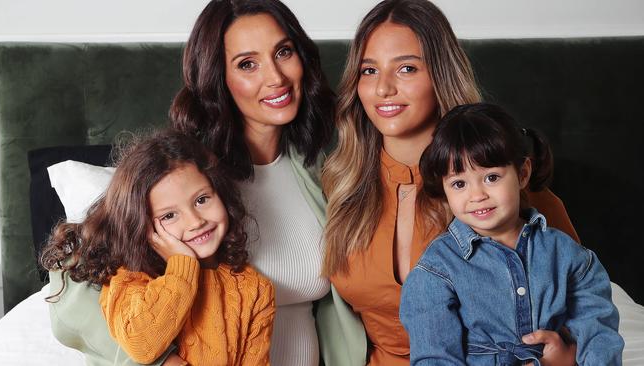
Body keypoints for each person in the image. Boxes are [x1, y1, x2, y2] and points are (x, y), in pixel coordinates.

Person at [47, 1, 362, 365]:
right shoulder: (184, 175)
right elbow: (74, 283)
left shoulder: (320, 169)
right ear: (218, 79)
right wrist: (161, 360)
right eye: (247, 64)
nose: (275, 76)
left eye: (283, 52)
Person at [322, 0, 579, 365]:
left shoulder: (506, 187)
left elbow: (581, 299)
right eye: (368, 71)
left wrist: (569, 351)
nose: (383, 89)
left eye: (406, 68)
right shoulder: (339, 185)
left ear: (440, 74)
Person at [399, 103, 624, 365]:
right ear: (444, 190)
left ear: (522, 174)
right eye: (459, 183)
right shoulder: (436, 271)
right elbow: (435, 359)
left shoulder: (568, 256)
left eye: (492, 177)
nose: (477, 196)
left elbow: (598, 335)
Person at [42, 130, 275, 366]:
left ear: (221, 194)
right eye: (170, 215)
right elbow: (143, 345)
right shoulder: (131, 276)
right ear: (143, 227)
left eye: (202, 200)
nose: (195, 221)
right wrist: (183, 267)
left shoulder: (254, 288)